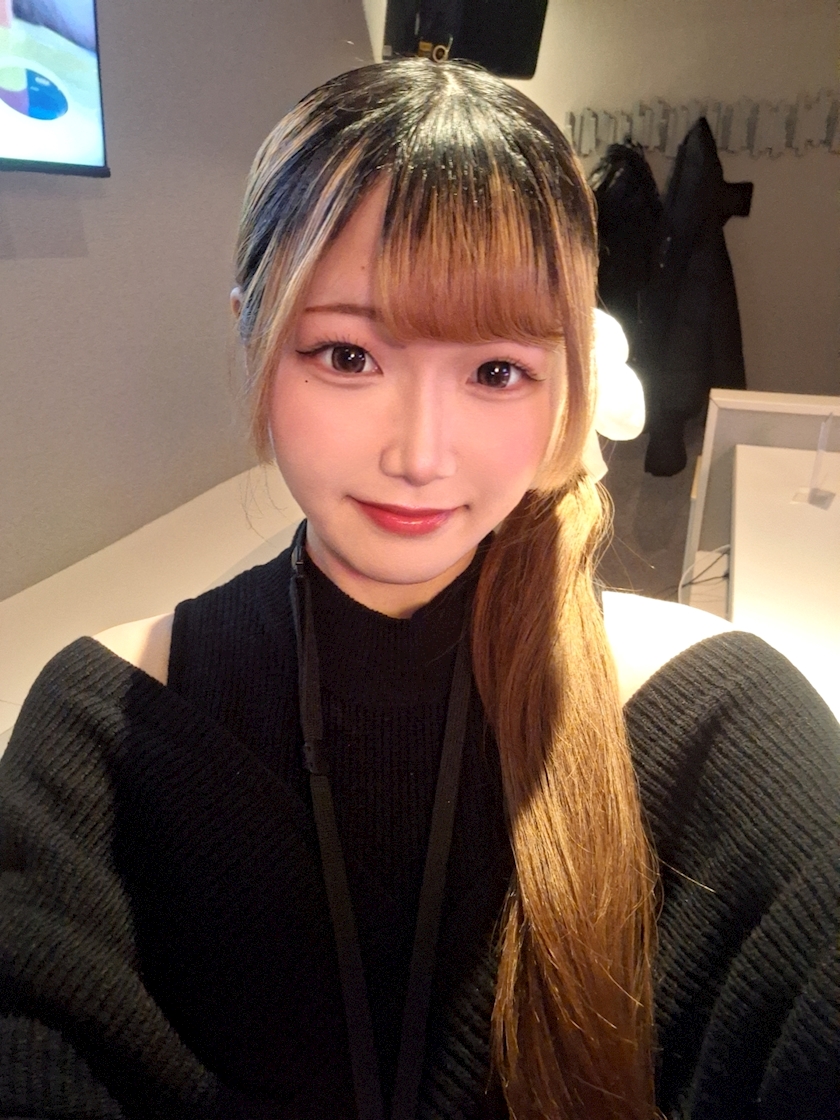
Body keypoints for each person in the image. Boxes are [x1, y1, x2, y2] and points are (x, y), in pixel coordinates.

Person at [0, 59, 837, 1120]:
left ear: (567, 386)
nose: (421, 455)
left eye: (496, 371)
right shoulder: (98, 734)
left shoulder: (712, 720)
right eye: (349, 355)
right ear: (255, 337)